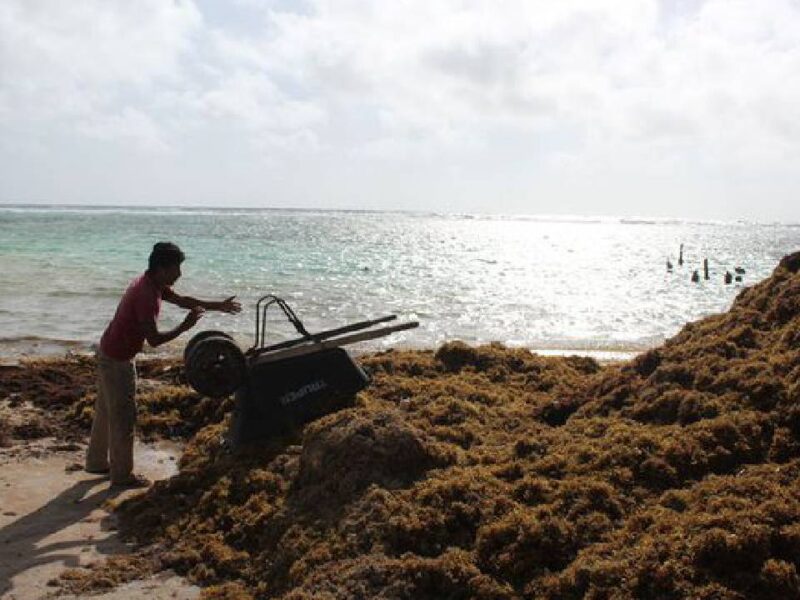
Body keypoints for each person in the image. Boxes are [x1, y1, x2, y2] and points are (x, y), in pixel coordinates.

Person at [85, 242, 241, 488]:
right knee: (124, 417)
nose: (179, 274)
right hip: (117, 359)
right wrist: (185, 327)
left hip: (110, 351)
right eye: (176, 268)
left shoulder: (152, 283)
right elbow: (155, 340)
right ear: (161, 268)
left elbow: (183, 301)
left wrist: (218, 306)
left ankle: (95, 462)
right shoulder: (146, 294)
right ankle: (122, 475)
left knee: (106, 411)